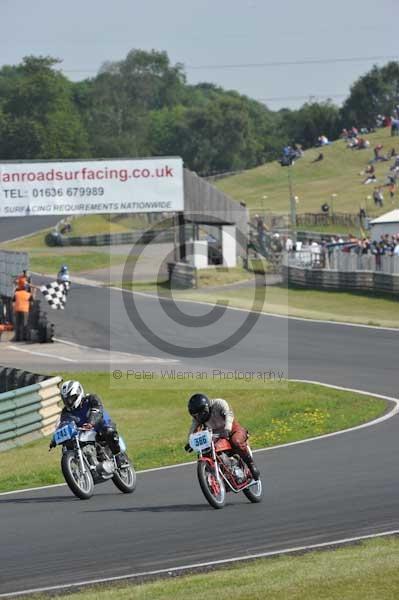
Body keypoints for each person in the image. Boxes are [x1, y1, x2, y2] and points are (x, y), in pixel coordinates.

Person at [185, 393, 260, 480]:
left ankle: (251, 465)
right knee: (206, 450)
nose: (199, 417)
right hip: (216, 435)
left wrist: (227, 427)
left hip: (232, 429)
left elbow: (229, 414)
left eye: (200, 414)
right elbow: (192, 428)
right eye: (195, 415)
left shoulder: (219, 403)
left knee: (236, 441)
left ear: (206, 408)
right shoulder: (197, 419)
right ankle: (216, 475)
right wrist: (190, 441)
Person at [53, 380, 128, 467]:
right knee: (68, 445)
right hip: (83, 431)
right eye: (66, 399)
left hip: (100, 425)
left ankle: (119, 457)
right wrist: (55, 439)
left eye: (71, 398)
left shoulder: (91, 399)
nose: (69, 402)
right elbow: (64, 423)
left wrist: (91, 423)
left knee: (108, 431)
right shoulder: (66, 412)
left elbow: (97, 410)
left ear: (79, 393)